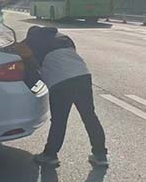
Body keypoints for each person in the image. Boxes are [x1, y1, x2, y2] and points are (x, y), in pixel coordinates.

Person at [23, 26, 108, 168]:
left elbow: (31, 69)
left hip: (60, 82)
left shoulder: (32, 43)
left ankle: (50, 155)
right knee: (90, 117)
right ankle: (100, 155)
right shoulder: (63, 37)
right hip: (82, 75)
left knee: (59, 120)